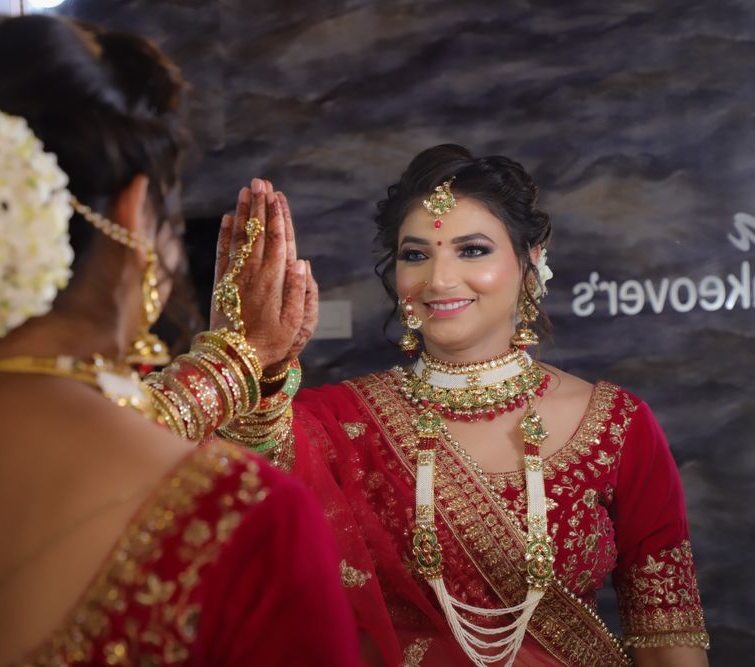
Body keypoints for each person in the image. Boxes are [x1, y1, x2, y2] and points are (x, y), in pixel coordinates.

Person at [0, 14, 359, 667]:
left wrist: (240, 360)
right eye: (168, 223)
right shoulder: (248, 519)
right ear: (134, 214)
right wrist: (243, 356)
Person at [156, 145, 709, 665]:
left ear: (529, 261)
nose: (439, 279)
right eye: (415, 255)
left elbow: (667, 634)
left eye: (472, 250)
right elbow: (247, 464)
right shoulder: (340, 422)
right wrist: (251, 362)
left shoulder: (616, 425)